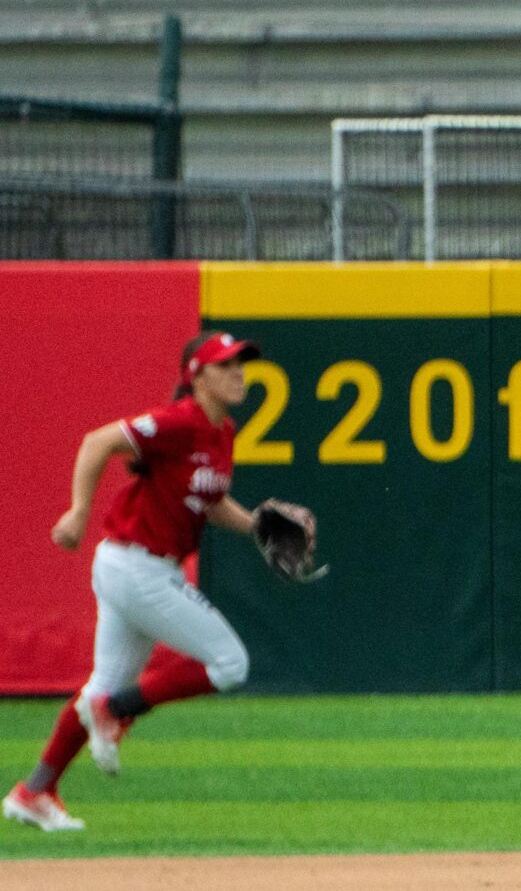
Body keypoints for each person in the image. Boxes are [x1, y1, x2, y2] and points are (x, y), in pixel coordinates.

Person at [7, 332, 313, 835]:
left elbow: (209, 502)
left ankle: (34, 790)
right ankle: (118, 711)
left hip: (141, 567)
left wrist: (257, 524)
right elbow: (97, 442)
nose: (239, 374)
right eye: (226, 366)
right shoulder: (179, 422)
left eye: (241, 365)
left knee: (101, 686)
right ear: (197, 376)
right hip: (136, 567)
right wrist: (79, 511)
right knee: (230, 663)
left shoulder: (222, 431)